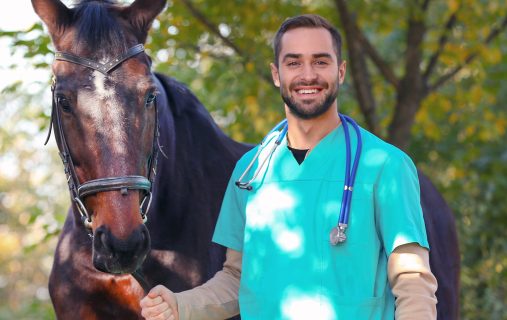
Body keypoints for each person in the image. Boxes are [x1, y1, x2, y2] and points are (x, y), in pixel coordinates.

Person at [140, 14, 438, 320]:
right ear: (276, 73)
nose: (308, 75)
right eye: (294, 62)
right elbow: (237, 281)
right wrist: (181, 305)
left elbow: (413, 283)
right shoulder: (250, 173)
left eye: (321, 61)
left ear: (341, 70)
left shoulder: (385, 166)